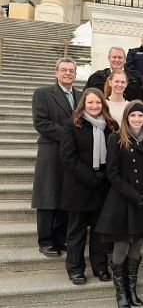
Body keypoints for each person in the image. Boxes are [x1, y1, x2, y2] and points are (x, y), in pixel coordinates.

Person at [96, 100, 143, 308]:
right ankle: (120, 291)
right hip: (122, 200)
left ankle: (132, 288)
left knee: (137, 245)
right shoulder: (116, 138)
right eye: (133, 115)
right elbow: (112, 173)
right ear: (126, 117)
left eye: (141, 116)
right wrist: (133, 195)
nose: (137, 119)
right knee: (122, 244)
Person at [60, 88, 118, 285]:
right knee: (76, 231)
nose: (94, 106)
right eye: (90, 102)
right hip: (79, 187)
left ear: (104, 104)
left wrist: (105, 176)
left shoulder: (111, 126)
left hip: (103, 187)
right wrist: (90, 177)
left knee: (99, 232)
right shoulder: (71, 125)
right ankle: (75, 268)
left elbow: (115, 156)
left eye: (98, 103)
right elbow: (68, 157)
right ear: (83, 104)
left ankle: (100, 266)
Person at [32, 58, 81, 257]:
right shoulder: (43, 94)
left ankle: (60, 238)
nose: (68, 73)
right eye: (64, 70)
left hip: (71, 155)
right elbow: (41, 123)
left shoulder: (80, 95)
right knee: (47, 197)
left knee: (65, 197)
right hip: (51, 151)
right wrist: (69, 136)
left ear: (76, 74)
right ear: (56, 73)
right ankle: (45, 240)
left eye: (71, 70)